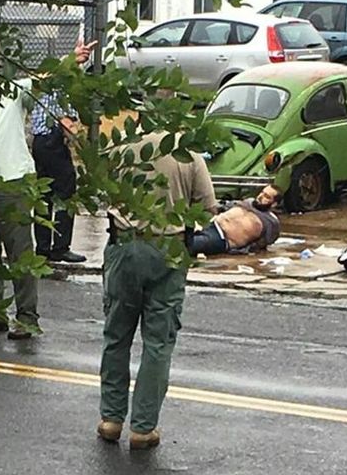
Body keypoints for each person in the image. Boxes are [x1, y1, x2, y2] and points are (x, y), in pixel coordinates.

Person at [0, 41, 96, 340]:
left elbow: (49, 81)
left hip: (12, 184)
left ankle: (27, 317)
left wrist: (73, 59)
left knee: (20, 255)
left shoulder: (12, 92)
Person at [97, 138, 218, 450]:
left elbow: (103, 195)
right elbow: (207, 209)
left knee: (116, 335)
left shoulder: (120, 148)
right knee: (158, 341)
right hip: (169, 249)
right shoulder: (189, 153)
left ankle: (111, 419)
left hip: (124, 245)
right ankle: (143, 427)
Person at [30, 91, 87, 264]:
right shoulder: (62, 86)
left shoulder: (44, 83)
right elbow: (65, 120)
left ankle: (43, 247)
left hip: (39, 142)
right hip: (53, 140)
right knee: (65, 193)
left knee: (44, 194)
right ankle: (60, 248)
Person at [189, 185, 281, 256]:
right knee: (181, 233)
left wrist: (243, 249)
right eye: (262, 192)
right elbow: (224, 206)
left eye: (267, 197)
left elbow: (264, 243)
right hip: (212, 223)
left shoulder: (271, 222)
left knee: (192, 244)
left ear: (274, 204)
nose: (261, 196)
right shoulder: (248, 202)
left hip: (222, 239)